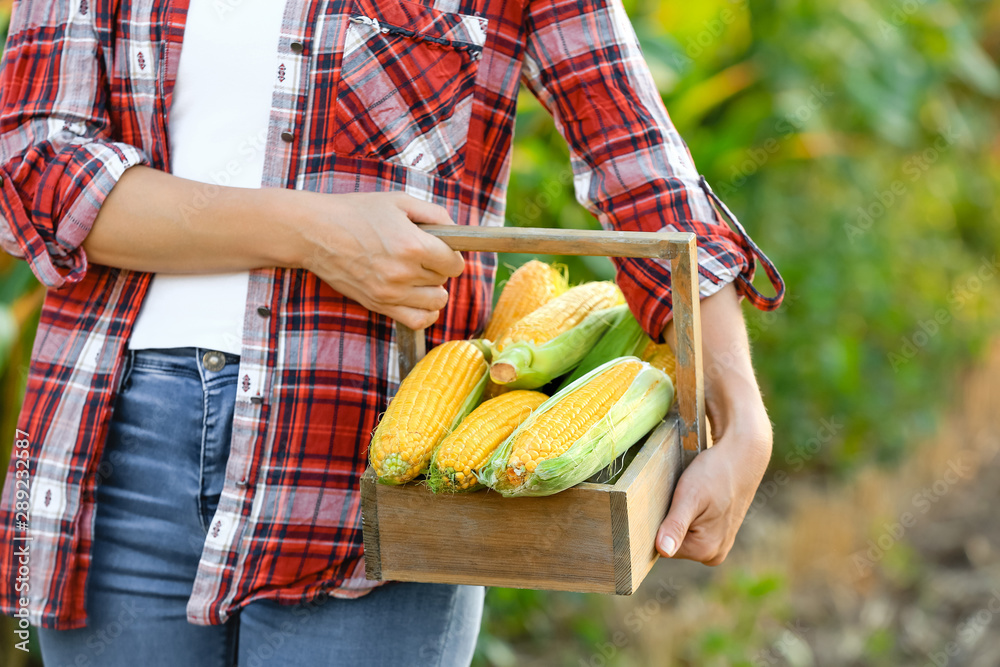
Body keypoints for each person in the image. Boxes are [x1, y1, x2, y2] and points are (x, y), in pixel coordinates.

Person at [0, 0, 784, 664]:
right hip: (120, 447)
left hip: (377, 462)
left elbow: (641, 169)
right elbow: (32, 170)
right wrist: (313, 233)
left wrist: (739, 407)